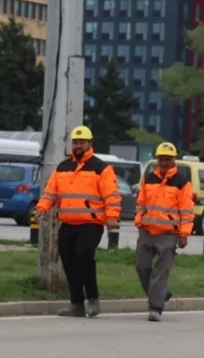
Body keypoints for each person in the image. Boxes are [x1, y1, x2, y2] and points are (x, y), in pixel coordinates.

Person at [37, 124, 121, 317]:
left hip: (91, 223)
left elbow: (111, 196)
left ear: (90, 144)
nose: (78, 146)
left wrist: (112, 217)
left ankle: (93, 298)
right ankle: (76, 303)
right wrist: (42, 208)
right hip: (68, 223)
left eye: (82, 142)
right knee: (68, 260)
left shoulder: (102, 168)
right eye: (75, 142)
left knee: (83, 255)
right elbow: (50, 192)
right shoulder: (63, 167)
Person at [134, 142, 194, 322]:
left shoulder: (182, 183)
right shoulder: (148, 179)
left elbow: (187, 211)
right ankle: (160, 294)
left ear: (174, 160)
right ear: (157, 160)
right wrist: (139, 220)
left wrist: (184, 234)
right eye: (161, 159)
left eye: (168, 159)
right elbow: (141, 203)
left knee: (161, 272)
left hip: (168, 234)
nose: (164, 163)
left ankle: (155, 307)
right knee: (141, 267)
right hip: (146, 231)